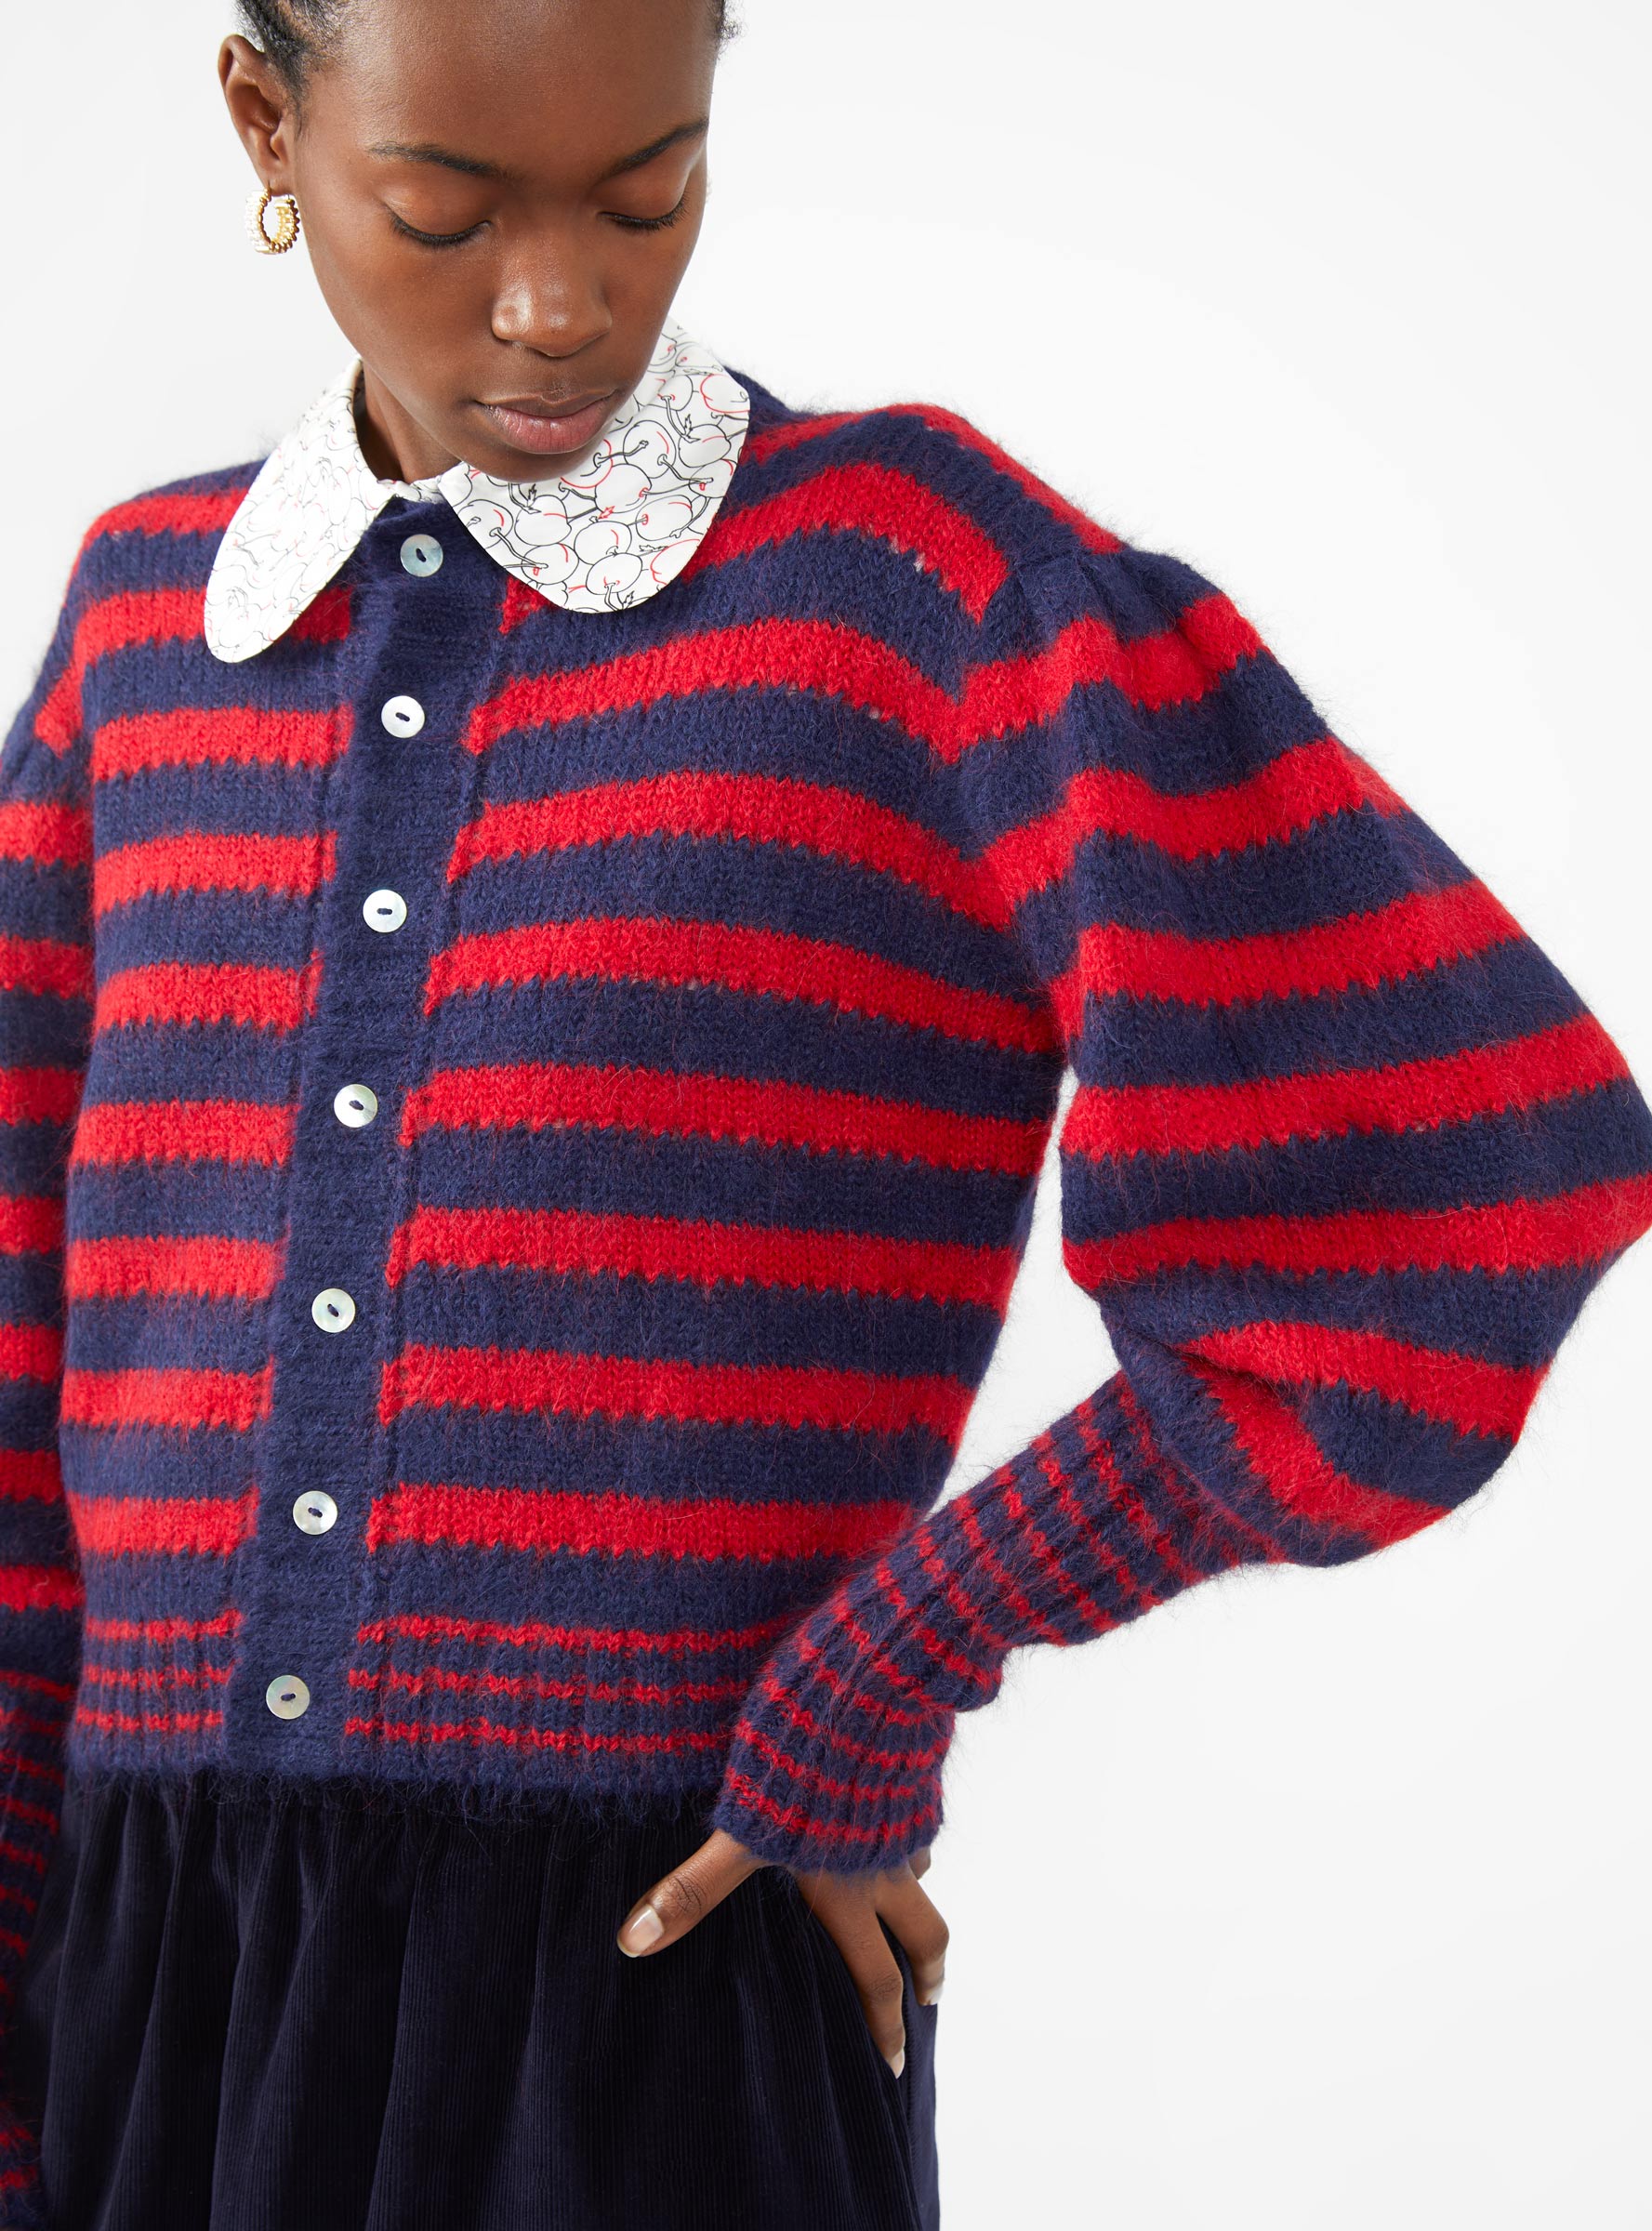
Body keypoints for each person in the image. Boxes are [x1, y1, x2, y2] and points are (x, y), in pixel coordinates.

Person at [1, 1, 1648, 2225]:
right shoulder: (145, 628)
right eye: (443, 210)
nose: (558, 303)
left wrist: (891, 1660)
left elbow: (1467, 1183)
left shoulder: (917, 583)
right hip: (152, 1994)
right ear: (264, 120)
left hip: (651, 1987)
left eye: (648, 191)